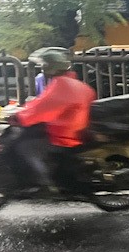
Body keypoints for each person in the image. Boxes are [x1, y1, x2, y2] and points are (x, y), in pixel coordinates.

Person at [10, 47, 96, 192]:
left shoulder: (62, 85)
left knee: (26, 147)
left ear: (49, 67)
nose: (42, 69)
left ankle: (45, 183)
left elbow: (45, 107)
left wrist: (20, 117)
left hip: (63, 134)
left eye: (43, 66)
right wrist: (24, 110)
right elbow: (41, 102)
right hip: (74, 129)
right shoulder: (76, 84)